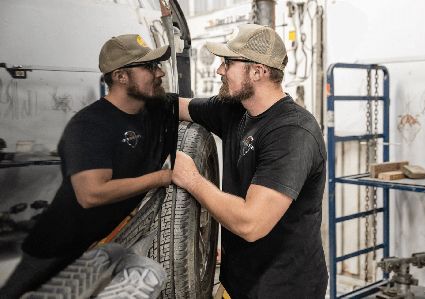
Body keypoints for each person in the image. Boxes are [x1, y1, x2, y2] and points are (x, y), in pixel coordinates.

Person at [0, 34, 177, 298]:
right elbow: (91, 194)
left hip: (99, 245)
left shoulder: (155, 109)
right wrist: (162, 177)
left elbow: (200, 109)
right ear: (120, 76)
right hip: (57, 249)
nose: (160, 72)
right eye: (149, 67)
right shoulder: (89, 126)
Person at [172, 24, 328, 298]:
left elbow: (251, 223)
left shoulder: (293, 132)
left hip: (285, 289)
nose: (219, 70)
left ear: (258, 71)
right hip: (238, 281)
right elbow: (180, 107)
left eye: (228, 63)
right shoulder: (234, 110)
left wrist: (191, 178)